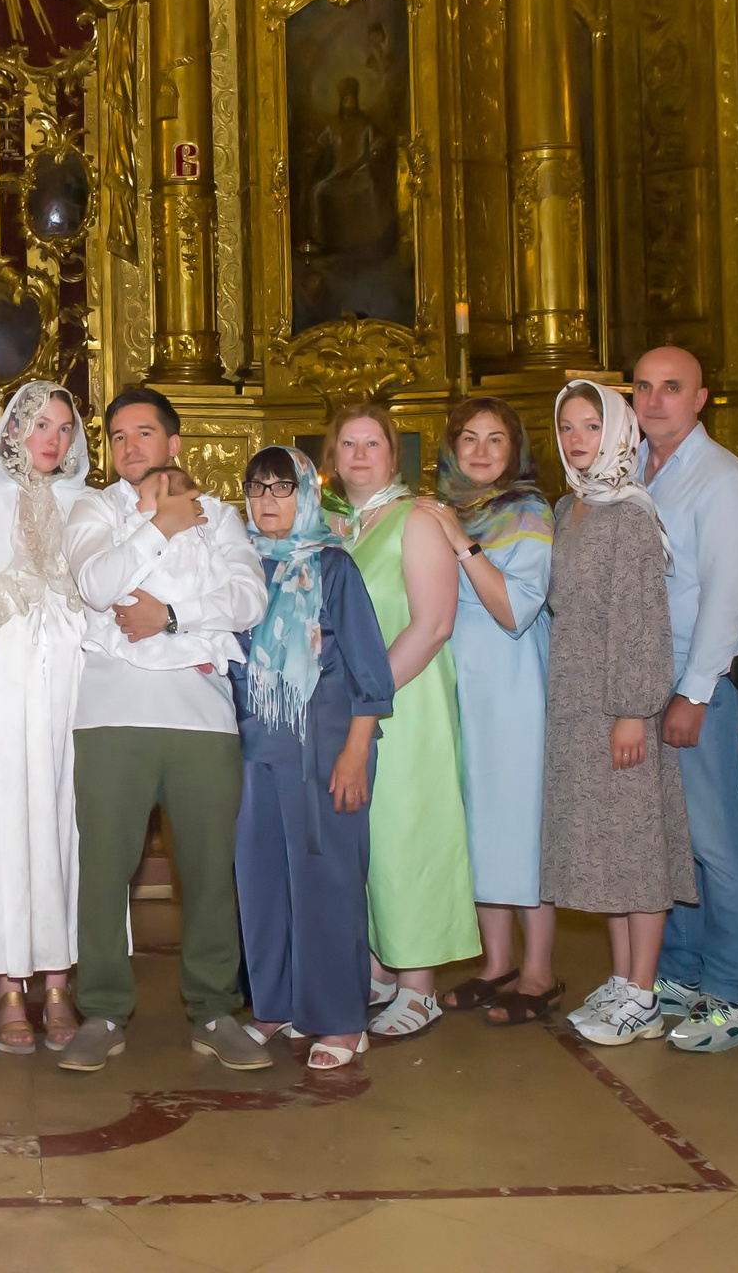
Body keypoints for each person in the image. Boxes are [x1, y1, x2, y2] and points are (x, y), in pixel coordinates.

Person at [58, 388, 271, 1072]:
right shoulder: (94, 508)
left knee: (208, 872)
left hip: (200, 716)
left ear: (174, 444)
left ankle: (214, 1008)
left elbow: (247, 599)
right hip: (110, 714)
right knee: (103, 871)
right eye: (118, 436)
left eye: (144, 433)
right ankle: (101, 1010)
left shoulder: (223, 518)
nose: (130, 447)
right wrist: (162, 525)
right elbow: (97, 585)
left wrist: (171, 618)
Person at [0, 381, 95, 1054]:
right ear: (11, 430)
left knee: (64, 826)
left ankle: (59, 982)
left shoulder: (87, 505)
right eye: (40, 425)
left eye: (65, 428)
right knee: (2, 830)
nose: (52, 440)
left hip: (67, 688)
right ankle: (9, 984)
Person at [543, 380, 692, 1046]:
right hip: (577, 701)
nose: (578, 439)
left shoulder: (631, 513)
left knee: (635, 850)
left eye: (590, 426)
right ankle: (622, 979)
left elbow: (640, 622)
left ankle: (643, 992)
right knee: (606, 851)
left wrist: (633, 711)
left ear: (617, 432)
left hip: (619, 703)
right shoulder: (567, 509)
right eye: (568, 427)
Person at [234, 446, 392, 1071]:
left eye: (282, 488)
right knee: (262, 881)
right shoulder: (238, 566)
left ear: (305, 495)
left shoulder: (331, 567)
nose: (269, 500)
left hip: (325, 749)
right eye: (258, 488)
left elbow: (370, 673)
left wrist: (355, 753)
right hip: (254, 751)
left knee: (327, 884)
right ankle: (274, 1005)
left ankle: (340, 1021)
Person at [630, 346, 738, 1053]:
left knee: (715, 846)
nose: (655, 402)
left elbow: (725, 599)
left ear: (702, 397)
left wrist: (693, 693)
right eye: (645, 388)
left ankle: (731, 995)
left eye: (672, 388)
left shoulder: (720, 480)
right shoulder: (639, 471)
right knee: (667, 842)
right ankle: (679, 973)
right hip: (647, 680)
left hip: (695, 682)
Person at [329, 403, 478, 1040]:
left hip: (403, 696)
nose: (361, 455)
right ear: (333, 456)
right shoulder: (337, 526)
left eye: (373, 444)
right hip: (355, 702)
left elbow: (434, 623)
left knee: (406, 832)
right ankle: (378, 969)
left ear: (395, 454)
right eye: (348, 444)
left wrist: (367, 693)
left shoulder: (416, 519)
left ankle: (419, 986)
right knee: (364, 837)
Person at [412, 397, 558, 1026]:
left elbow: (513, 610)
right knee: (476, 827)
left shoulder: (528, 512)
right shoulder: (441, 507)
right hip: (458, 683)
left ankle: (540, 971)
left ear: (516, 450)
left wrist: (459, 540)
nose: (478, 451)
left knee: (522, 826)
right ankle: (496, 962)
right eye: (467, 438)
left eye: (494, 440)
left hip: (514, 685)